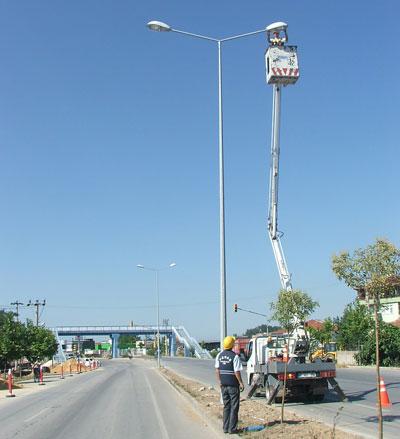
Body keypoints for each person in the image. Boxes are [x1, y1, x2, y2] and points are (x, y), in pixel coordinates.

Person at [215, 336, 245, 434]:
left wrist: (219, 381)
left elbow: (217, 370)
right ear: (232, 345)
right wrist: (241, 383)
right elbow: (237, 372)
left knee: (226, 406)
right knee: (234, 406)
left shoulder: (219, 355)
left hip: (223, 385)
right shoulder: (235, 356)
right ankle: (232, 429)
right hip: (233, 385)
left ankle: (225, 427)